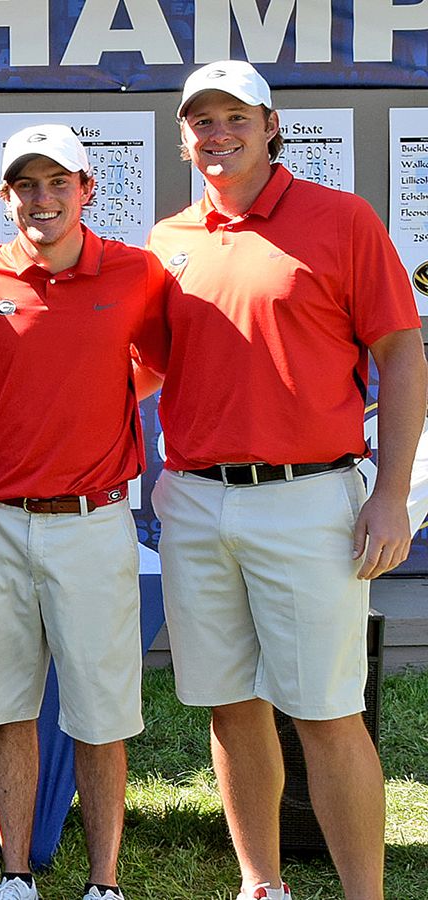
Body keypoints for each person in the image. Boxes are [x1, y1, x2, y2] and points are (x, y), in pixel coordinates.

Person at [148, 60, 427, 900]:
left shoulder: (341, 219)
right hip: (194, 500)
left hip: (312, 499)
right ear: (183, 137)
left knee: (327, 714)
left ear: (272, 126)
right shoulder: (168, 242)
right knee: (230, 707)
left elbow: (402, 353)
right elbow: (141, 371)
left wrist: (390, 492)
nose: (217, 134)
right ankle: (260, 884)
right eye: (201, 121)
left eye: (235, 117)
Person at [0, 125, 171, 900]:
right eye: (25, 186)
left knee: (99, 714)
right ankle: (16, 876)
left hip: (95, 521)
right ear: (5, 197)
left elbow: (161, 362)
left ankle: (103, 882)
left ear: (88, 190)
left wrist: (101, 397)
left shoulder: (137, 271)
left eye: (57, 183)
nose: (42, 200)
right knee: (7, 705)